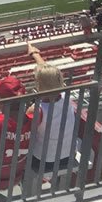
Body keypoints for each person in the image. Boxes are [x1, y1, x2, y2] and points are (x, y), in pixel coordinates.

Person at [24, 53, 80, 190]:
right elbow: (49, 75)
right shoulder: (66, 95)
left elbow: (23, 130)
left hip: (44, 161)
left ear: (39, 85)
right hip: (68, 155)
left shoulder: (37, 109)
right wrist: (35, 54)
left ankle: (26, 189)